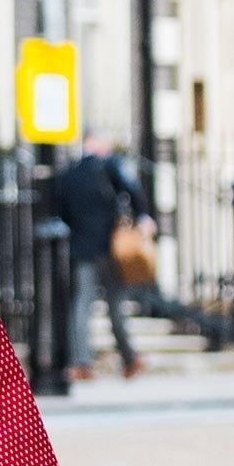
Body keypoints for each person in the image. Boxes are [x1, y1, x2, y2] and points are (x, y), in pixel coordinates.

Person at [50, 135, 155, 382]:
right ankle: (129, 360)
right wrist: (142, 217)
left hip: (82, 249)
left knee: (81, 305)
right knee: (116, 306)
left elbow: (62, 212)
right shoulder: (108, 166)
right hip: (110, 248)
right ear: (96, 145)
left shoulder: (69, 175)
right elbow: (133, 190)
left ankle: (81, 364)